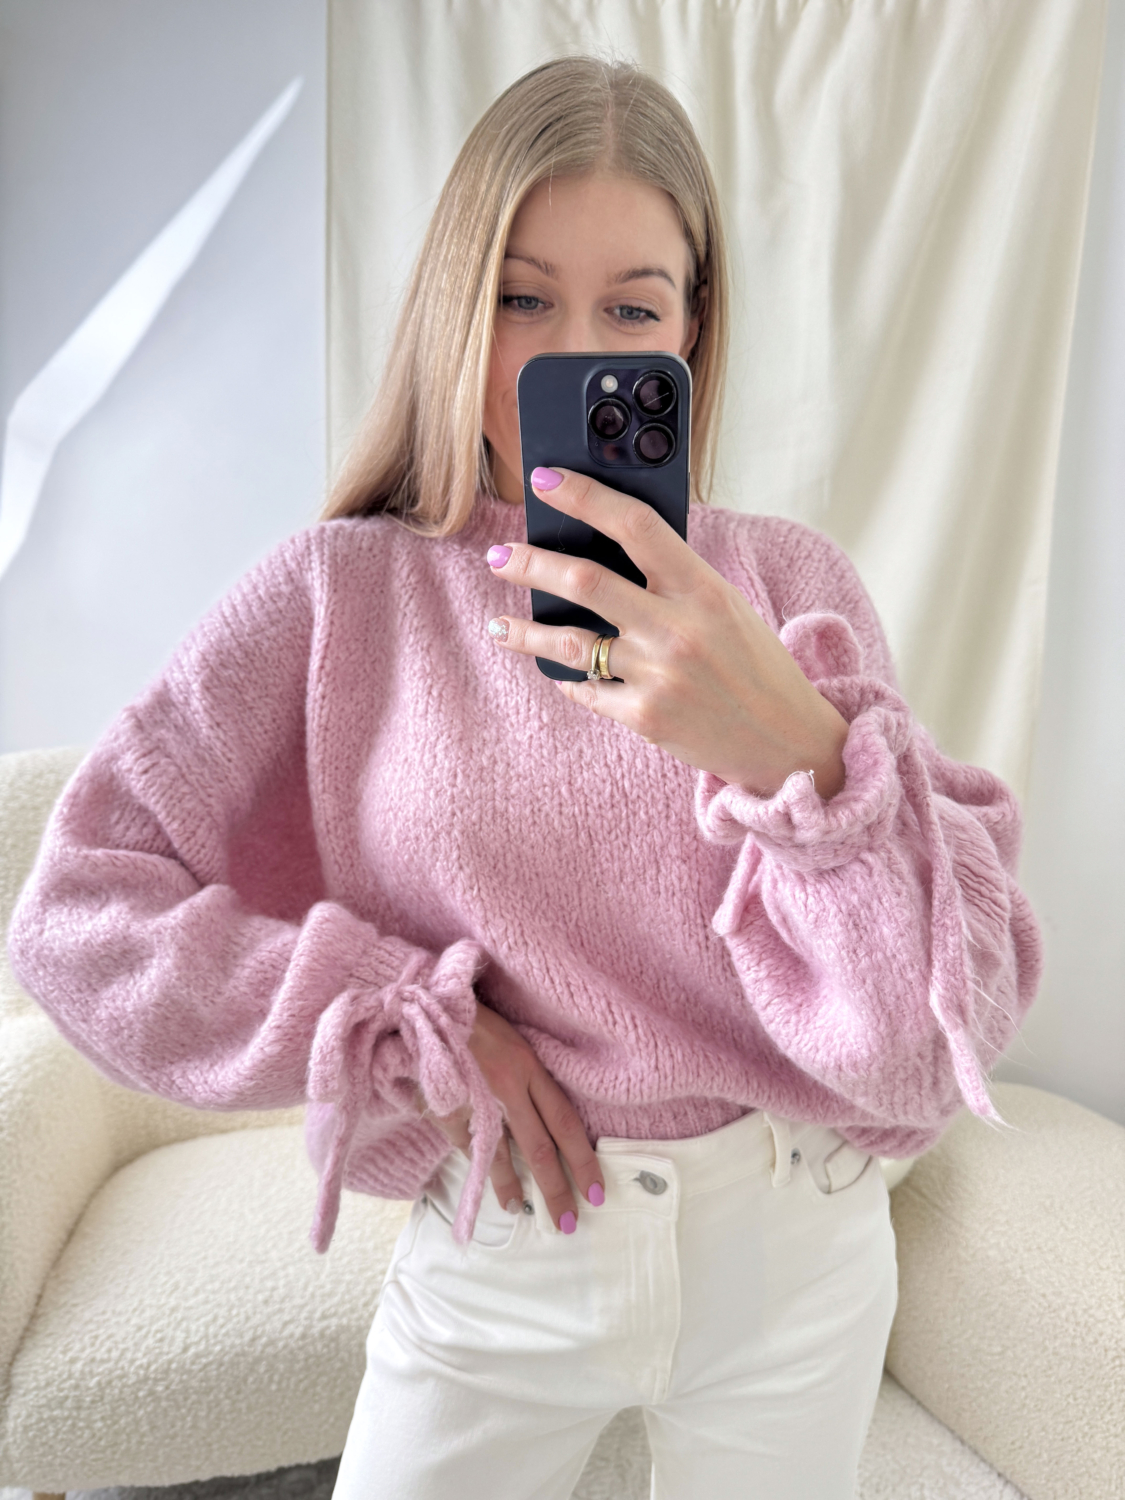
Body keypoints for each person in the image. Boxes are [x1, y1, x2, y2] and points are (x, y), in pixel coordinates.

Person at [8, 55, 1041, 1500]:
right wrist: (406, 1022)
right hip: (500, 1253)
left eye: (632, 309)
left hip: (797, 1248)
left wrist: (796, 755)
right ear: (453, 305)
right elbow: (77, 914)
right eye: (521, 299)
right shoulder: (338, 595)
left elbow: (919, 1052)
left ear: (692, 331)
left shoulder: (784, 591)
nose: (576, 357)